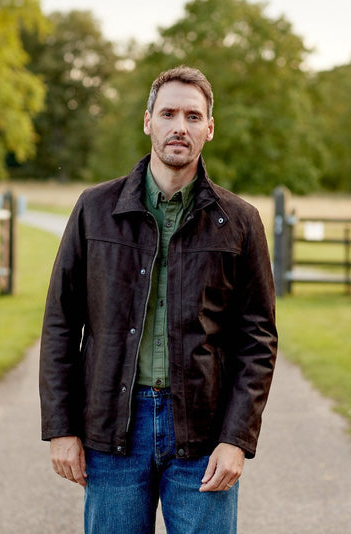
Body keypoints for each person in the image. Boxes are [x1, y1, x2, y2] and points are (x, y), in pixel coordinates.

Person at [39, 65, 278, 534]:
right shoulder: (95, 210)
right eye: (168, 113)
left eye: (193, 116)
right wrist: (61, 428)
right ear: (147, 121)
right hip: (112, 431)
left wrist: (236, 439)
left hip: (204, 436)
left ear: (209, 128)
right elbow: (61, 324)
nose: (179, 127)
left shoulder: (241, 221)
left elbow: (258, 341)